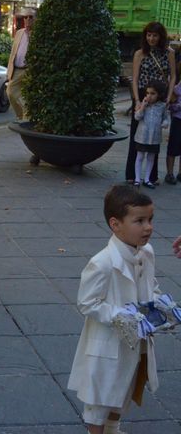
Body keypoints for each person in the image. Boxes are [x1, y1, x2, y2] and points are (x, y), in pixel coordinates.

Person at [68, 185, 161, 434]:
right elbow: (87, 302)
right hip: (108, 342)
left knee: (125, 388)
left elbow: (151, 286)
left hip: (137, 338)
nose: (148, 227)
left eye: (150, 219)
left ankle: (113, 429)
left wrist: (160, 305)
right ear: (115, 224)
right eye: (139, 221)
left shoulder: (147, 253)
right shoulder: (102, 263)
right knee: (100, 398)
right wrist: (121, 315)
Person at [125, 22, 176, 184]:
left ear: (161, 36)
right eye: (148, 35)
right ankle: (132, 175)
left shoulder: (169, 53)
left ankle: (151, 177)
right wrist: (137, 100)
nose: (151, 38)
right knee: (136, 134)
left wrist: (168, 97)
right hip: (143, 95)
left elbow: (173, 76)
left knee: (155, 134)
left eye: (154, 35)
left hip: (160, 97)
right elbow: (135, 77)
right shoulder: (140, 53)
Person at [133, 80, 168, 188]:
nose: (149, 96)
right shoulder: (144, 105)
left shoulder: (162, 106)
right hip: (142, 136)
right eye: (147, 93)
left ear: (159, 94)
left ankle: (147, 179)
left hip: (155, 137)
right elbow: (137, 117)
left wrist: (165, 123)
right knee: (139, 156)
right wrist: (142, 106)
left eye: (153, 93)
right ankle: (137, 179)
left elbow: (166, 118)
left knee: (151, 158)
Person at [6, 7, 36, 120]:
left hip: (30, 70)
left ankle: (26, 118)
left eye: (31, 17)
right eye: (25, 17)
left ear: (36, 19)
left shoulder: (38, 34)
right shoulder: (19, 33)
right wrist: (9, 71)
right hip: (17, 70)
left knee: (28, 96)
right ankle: (20, 115)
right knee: (10, 92)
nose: (27, 19)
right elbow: (13, 53)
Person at [164, 80, 181, 184]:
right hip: (178, 120)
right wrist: (179, 106)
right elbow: (170, 105)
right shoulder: (176, 88)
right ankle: (169, 173)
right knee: (173, 146)